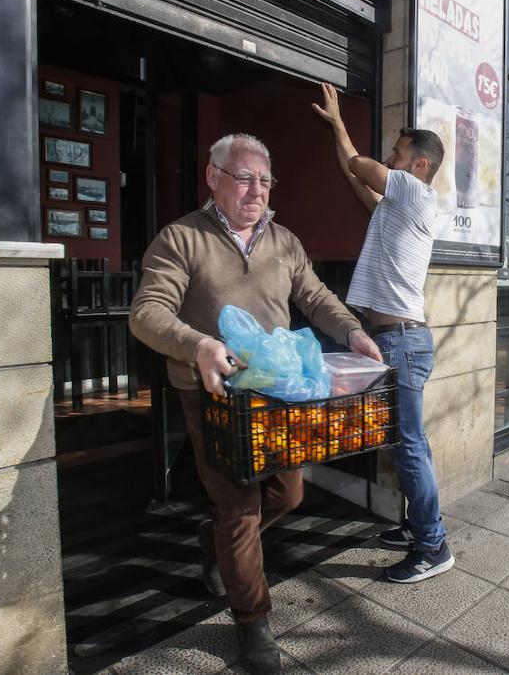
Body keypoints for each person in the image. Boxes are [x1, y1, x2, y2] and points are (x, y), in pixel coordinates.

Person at [129, 133, 382, 672]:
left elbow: (314, 296)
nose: (256, 190)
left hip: (275, 392)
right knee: (239, 506)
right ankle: (253, 622)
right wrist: (198, 345)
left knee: (288, 495)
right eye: (244, 177)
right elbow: (147, 311)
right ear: (213, 177)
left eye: (265, 180)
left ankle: (213, 537)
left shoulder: (284, 241)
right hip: (214, 392)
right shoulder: (181, 239)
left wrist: (353, 333)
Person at [312, 82, 454, 583]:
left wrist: (338, 124)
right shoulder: (397, 207)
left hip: (401, 342)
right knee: (408, 444)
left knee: (409, 446)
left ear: (418, 165)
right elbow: (356, 178)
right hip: (396, 339)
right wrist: (337, 133)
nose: (390, 159)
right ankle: (417, 527)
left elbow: (360, 166)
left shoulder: (416, 192)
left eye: (397, 153)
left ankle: (433, 546)